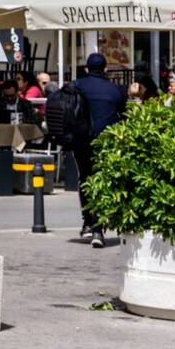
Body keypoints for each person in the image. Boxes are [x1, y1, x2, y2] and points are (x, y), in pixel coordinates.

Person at [73, 53, 127, 248]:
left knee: (85, 178)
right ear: (105, 68)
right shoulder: (116, 90)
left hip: (82, 141)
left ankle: (89, 223)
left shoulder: (77, 85)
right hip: (107, 142)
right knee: (102, 181)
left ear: (87, 68)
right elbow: (125, 113)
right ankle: (98, 228)